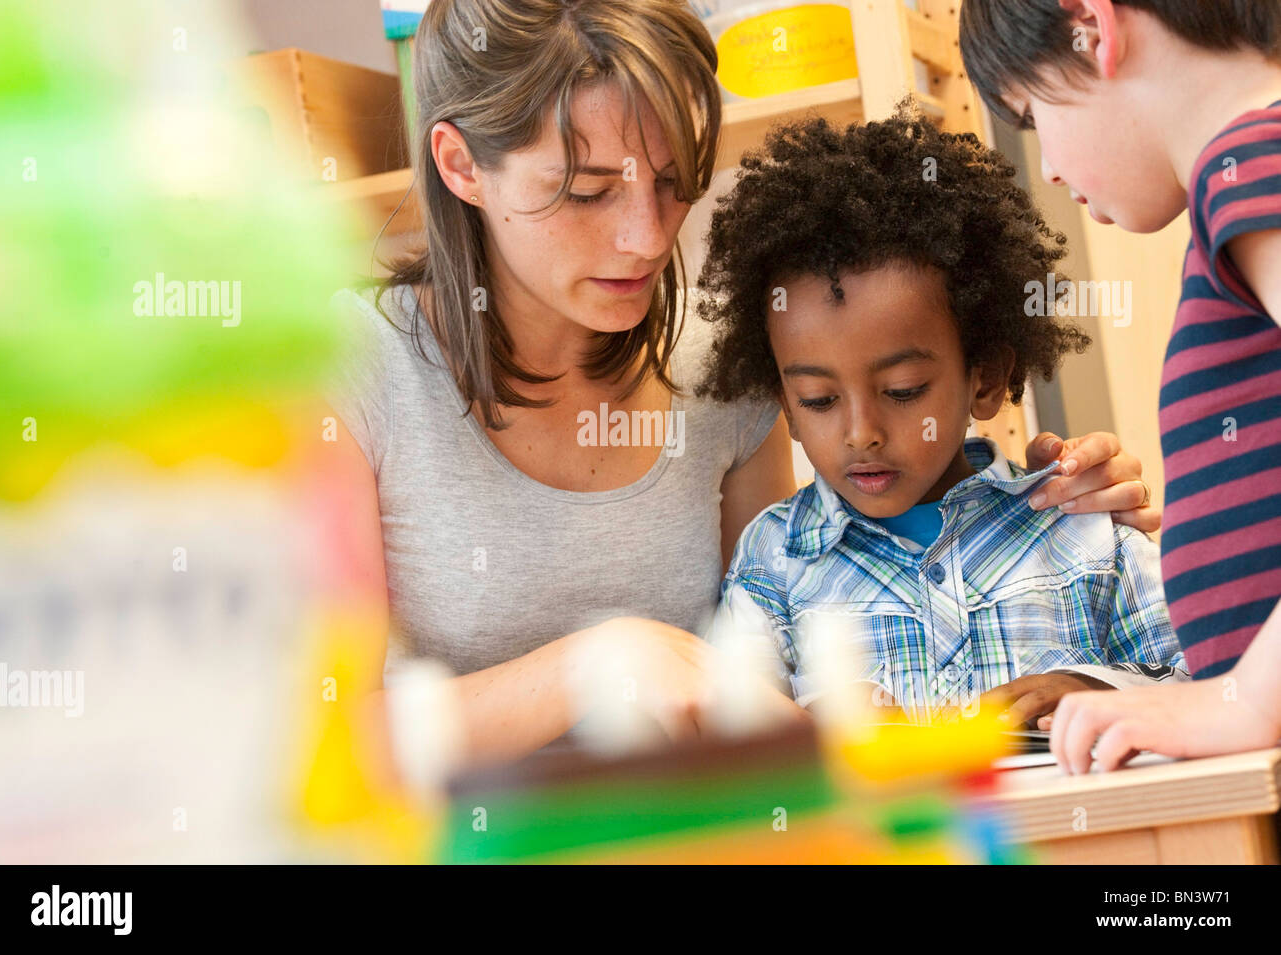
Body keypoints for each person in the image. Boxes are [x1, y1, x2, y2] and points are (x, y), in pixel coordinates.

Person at [324, 0, 1159, 768]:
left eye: (672, 178)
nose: (647, 238)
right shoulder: (343, 370)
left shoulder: (723, 371)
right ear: (461, 165)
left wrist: (1055, 509)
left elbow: (797, 631)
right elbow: (305, 747)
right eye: (586, 191)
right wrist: (594, 665)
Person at [701, 111, 1185, 725]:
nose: (860, 432)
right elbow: (724, 739)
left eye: (902, 390)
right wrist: (807, 736)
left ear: (983, 379)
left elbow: (1209, 683)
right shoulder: (774, 561)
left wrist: (1100, 691)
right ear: (786, 407)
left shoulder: (1082, 522)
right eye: (819, 400)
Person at [959, 0, 1281, 771]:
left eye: (1032, 117)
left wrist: (1241, 701)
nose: (1049, 170)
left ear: (1094, 29)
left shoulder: (1254, 166)